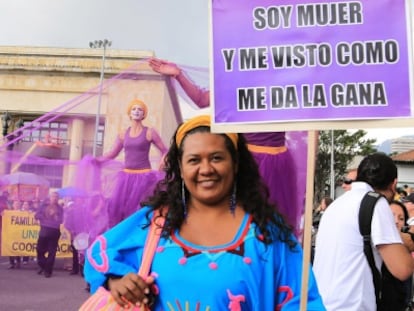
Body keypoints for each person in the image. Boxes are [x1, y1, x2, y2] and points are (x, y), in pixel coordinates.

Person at [84, 115, 325, 310]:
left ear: (236, 164)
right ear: (180, 167)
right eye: (194, 160)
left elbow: (304, 302)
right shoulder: (154, 223)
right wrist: (117, 280)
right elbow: (100, 255)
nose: (206, 169)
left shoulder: (270, 235)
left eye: (217, 158)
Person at [149, 58, 302, 233]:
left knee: (274, 223)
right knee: (239, 218)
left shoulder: (286, 86)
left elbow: (315, 106)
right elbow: (202, 99)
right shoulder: (236, 87)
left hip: (277, 162)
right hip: (249, 160)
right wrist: (179, 75)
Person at [313, 152, 414, 310]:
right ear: (394, 184)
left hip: (321, 303)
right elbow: (403, 269)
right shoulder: (375, 202)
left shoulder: (336, 205)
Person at [96, 98, 168, 228]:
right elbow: (112, 153)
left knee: (141, 208)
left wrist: (161, 165)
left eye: (140, 109)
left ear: (143, 114)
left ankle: (142, 235)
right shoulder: (123, 134)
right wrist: (97, 160)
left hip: (144, 177)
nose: (136, 111)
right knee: (118, 208)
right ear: (129, 113)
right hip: (126, 177)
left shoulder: (150, 132)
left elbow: (164, 150)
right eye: (134, 109)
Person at [35, 191, 64, 278]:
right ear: (50, 197)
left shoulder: (60, 208)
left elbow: (62, 220)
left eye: (56, 197)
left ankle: (48, 271)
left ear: (58, 199)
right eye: (53, 196)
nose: (54, 198)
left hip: (54, 231)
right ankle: (43, 265)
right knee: (39, 250)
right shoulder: (43, 206)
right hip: (44, 230)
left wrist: (56, 217)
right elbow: (37, 215)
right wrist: (44, 217)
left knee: (52, 252)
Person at [311, 196, 333, 263]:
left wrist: (317, 211)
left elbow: (312, 221)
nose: (321, 205)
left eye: (322, 203)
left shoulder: (324, 215)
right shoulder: (328, 214)